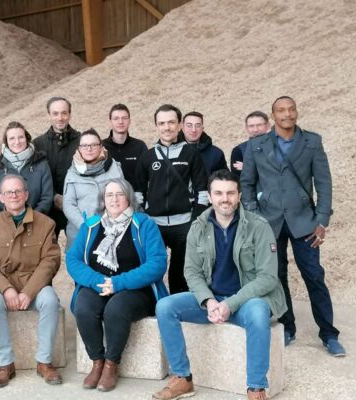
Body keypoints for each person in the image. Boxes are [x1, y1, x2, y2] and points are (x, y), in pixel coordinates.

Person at [153, 170, 287, 400]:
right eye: (218, 193)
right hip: (213, 299)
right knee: (165, 307)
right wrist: (209, 301)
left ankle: (256, 387)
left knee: (258, 313)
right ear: (210, 196)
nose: (225, 199)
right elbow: (192, 272)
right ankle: (183, 378)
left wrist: (230, 304)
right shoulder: (198, 227)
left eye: (230, 193)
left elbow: (267, 277)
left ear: (239, 195)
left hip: (246, 301)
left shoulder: (259, 226)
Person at [241, 96, 344, 355]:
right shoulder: (256, 145)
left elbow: (324, 183)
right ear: (273, 115)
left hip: (304, 222)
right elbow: (247, 183)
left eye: (291, 109)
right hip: (268, 223)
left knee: (314, 275)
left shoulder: (312, 142)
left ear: (296, 112)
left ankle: (329, 334)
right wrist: (254, 216)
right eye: (281, 110)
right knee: (277, 276)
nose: (287, 114)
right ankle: (288, 326)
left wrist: (322, 220)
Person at [66, 178, 169, 392]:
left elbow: (157, 264)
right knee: (83, 307)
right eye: (109, 195)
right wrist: (98, 282)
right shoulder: (91, 225)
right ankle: (97, 362)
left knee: (116, 308)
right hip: (99, 285)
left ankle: (111, 364)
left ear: (129, 198)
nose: (114, 199)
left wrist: (117, 283)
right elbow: (73, 260)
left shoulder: (144, 224)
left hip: (136, 289)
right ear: (102, 200)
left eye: (119, 194)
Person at [0, 175, 62, 388]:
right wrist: (6, 290)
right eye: (8, 192)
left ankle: (44, 362)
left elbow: (50, 261)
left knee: (50, 300)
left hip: (34, 285)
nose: (13, 195)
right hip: (2, 286)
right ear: (1, 198)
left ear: (26, 194)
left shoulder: (46, 224)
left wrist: (29, 292)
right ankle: (6, 365)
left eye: (18, 191)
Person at [137, 104, 209, 294]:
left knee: (181, 271)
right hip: (154, 225)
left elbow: (202, 191)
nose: (166, 127)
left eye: (171, 122)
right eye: (161, 123)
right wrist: (144, 218)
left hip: (184, 224)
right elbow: (138, 193)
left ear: (179, 126)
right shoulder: (147, 157)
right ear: (156, 126)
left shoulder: (192, 154)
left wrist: (195, 220)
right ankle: (153, 304)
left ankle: (178, 304)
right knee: (152, 269)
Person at [63, 128, 125, 247]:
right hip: (80, 233)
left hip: (109, 233)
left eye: (94, 145)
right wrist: (85, 226)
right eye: (85, 145)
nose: (89, 149)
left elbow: (122, 198)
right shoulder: (71, 173)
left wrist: (106, 226)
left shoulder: (114, 168)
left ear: (101, 147)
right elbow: (69, 204)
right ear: (79, 149)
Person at [33, 96, 81, 237]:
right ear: (49, 115)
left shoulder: (81, 141)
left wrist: (69, 199)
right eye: (55, 113)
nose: (60, 118)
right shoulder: (38, 144)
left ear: (69, 114)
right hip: (47, 209)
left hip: (75, 207)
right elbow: (35, 177)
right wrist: (54, 196)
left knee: (76, 247)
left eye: (64, 113)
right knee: (47, 249)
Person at [0, 121, 53, 216]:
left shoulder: (41, 164)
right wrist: (4, 220)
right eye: (12, 138)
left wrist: (31, 219)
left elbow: (47, 198)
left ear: (26, 138)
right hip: (3, 223)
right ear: (6, 142)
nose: (17, 142)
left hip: (36, 221)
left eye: (21, 137)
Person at [101, 104, 147, 191]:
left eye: (124, 118)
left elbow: (146, 175)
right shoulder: (101, 147)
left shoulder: (140, 146)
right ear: (110, 122)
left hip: (136, 197)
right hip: (110, 197)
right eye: (116, 118)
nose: (120, 122)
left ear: (129, 121)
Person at [180, 111, 228, 175]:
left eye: (197, 126)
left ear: (202, 128)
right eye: (189, 125)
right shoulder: (171, 151)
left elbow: (224, 178)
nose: (193, 130)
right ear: (182, 128)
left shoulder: (216, 154)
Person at [230, 111, 271, 177]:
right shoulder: (239, 151)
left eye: (259, 125)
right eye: (251, 126)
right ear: (246, 128)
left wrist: (248, 168)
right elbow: (238, 179)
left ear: (268, 125)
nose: (255, 130)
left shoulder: (278, 146)